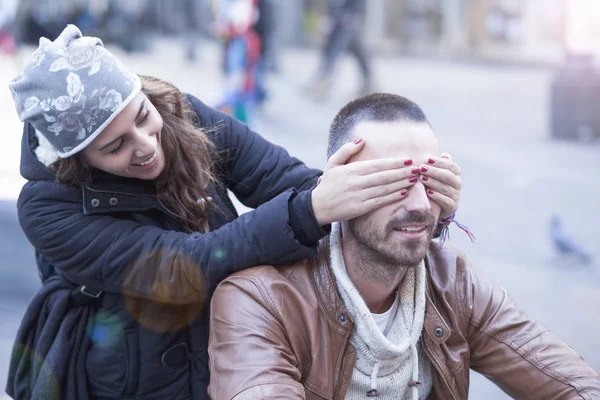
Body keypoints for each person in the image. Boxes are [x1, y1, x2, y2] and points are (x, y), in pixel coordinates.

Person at [6, 26, 462, 399]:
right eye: (114, 146)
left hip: (225, 341)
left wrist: (412, 203)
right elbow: (181, 266)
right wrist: (308, 209)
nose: (147, 145)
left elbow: (287, 178)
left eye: (141, 116)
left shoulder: (180, 113)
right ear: (77, 159)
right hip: (127, 371)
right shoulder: (47, 208)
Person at [208, 93, 600, 399]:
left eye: (430, 181)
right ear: (340, 189)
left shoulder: (451, 283)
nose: (419, 204)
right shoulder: (260, 301)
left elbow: (566, 382)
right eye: (390, 182)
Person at [308, 0, 373, 99]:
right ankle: (369, 81)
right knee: (355, 48)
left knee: (335, 48)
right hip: (339, 20)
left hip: (349, 19)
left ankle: (324, 80)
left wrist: (355, 14)